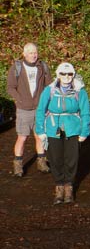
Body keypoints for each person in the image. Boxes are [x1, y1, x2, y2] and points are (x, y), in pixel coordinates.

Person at [35, 62, 90, 204]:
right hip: (53, 128)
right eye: (63, 74)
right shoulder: (49, 90)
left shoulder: (80, 91)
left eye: (70, 74)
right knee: (55, 159)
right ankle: (59, 186)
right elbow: (41, 110)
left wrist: (84, 131)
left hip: (73, 129)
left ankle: (69, 187)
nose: (66, 76)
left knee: (72, 159)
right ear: (58, 75)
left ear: (73, 75)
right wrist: (40, 130)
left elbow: (85, 112)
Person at [6, 43, 52, 177]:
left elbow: (49, 86)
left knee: (40, 136)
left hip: (39, 108)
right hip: (23, 109)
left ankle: (42, 162)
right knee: (22, 137)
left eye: (35, 52)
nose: (33, 55)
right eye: (30, 52)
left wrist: (47, 103)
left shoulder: (43, 67)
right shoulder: (17, 67)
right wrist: (20, 100)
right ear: (24, 54)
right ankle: (18, 165)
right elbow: (10, 87)